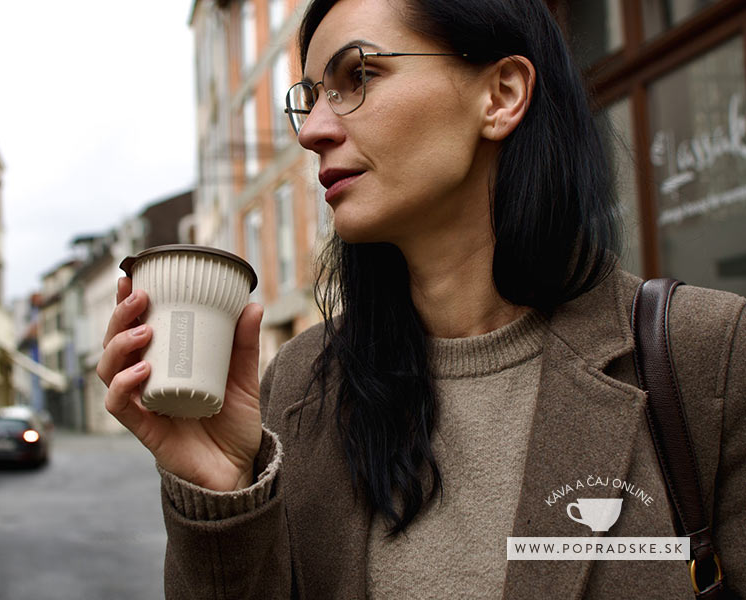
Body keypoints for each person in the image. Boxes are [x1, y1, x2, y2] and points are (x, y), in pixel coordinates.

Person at [99, 0, 745, 597]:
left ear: (502, 94)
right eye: (312, 98)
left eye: (359, 76)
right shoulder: (299, 387)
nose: (312, 131)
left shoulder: (708, 359)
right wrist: (222, 497)